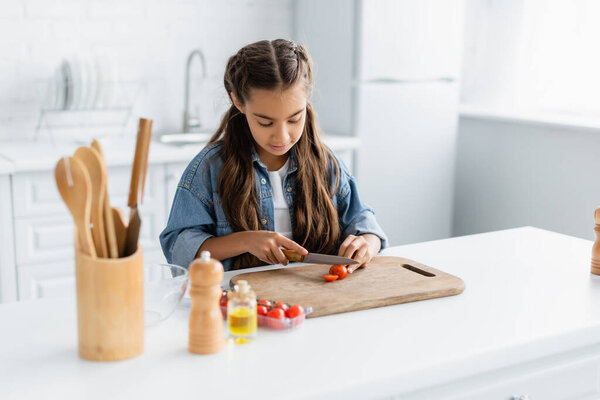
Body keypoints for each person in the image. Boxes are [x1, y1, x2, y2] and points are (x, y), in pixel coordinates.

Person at [160, 39, 387, 272]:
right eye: (265, 122)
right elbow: (177, 247)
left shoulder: (327, 165)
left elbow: (365, 223)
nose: (282, 137)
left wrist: (367, 242)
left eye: (294, 119)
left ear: (307, 101)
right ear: (238, 102)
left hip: (316, 298)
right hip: (242, 303)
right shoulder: (209, 169)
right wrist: (246, 241)